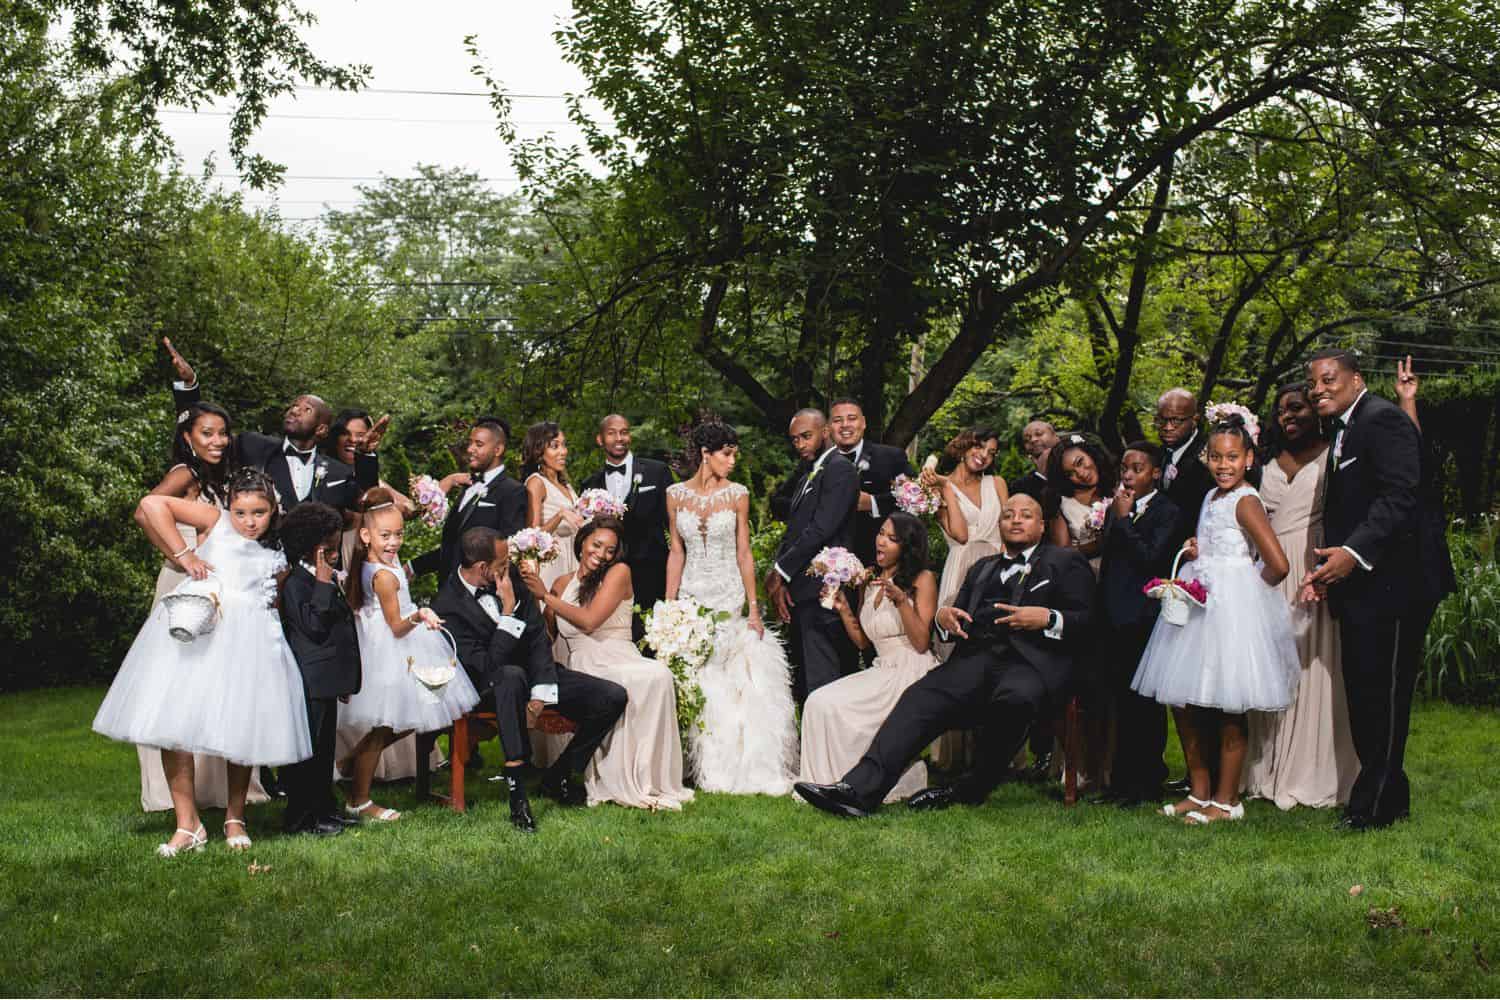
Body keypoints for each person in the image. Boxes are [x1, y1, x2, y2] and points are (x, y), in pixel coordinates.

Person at [794, 493, 1096, 818]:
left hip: (1030, 664)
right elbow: (951, 621)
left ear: (1041, 525)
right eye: (1009, 515)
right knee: (919, 697)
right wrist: (943, 619)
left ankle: (971, 789)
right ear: (1000, 524)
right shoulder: (982, 568)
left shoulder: (1065, 562)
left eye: (1026, 515)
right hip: (975, 661)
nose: (1016, 520)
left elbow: (1089, 621)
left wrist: (1048, 618)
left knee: (1015, 701)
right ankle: (857, 792)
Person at [94, 469, 311, 855]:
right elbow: (151, 504)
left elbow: (272, 599)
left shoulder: (279, 547)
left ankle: (235, 817)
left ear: (273, 509)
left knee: (241, 729)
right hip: (201, 635)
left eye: (258, 512)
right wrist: (184, 554)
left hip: (252, 644)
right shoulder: (214, 522)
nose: (248, 522)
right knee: (173, 725)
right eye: (241, 512)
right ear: (229, 507)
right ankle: (187, 823)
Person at [1131, 414, 1300, 825]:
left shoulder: (1246, 500)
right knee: (1184, 701)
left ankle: (1227, 800)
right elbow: (1213, 540)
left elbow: (1277, 564)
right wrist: (1197, 550)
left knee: (1228, 705)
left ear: (1248, 459)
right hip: (1197, 603)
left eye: (1233, 457)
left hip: (1230, 610)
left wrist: (1248, 596)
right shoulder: (1211, 498)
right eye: (1216, 457)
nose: (1224, 465)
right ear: (1206, 458)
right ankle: (1199, 789)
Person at [1300, 348, 1440, 830]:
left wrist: (1351, 554)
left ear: (1356, 379)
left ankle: (1374, 806)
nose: (1318, 388)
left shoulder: (1382, 419)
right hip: (1361, 583)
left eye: (1328, 379)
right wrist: (1327, 568)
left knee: (1386, 694)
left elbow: (1402, 496)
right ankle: (1386, 796)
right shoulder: (1345, 429)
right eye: (1313, 382)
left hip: (1398, 584)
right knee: (1364, 692)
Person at [431, 527, 629, 832]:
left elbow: (537, 638)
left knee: (612, 696)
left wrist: (540, 695)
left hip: (535, 676)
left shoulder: (511, 577)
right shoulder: (446, 605)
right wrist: (508, 613)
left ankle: (560, 775)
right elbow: (487, 666)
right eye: (501, 562)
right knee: (509, 677)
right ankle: (517, 796)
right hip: (488, 686)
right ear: (483, 568)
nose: (508, 566)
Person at [134, 401, 271, 813]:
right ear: (187, 438)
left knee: (217, 686)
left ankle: (217, 796)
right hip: (188, 587)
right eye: (207, 433)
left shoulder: (219, 476)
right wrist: (181, 556)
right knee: (182, 687)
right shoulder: (184, 474)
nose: (217, 440)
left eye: (222, 433)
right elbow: (145, 512)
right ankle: (178, 800)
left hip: (220, 586)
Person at [665, 421, 797, 795]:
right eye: (727, 453)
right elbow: (676, 551)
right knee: (701, 679)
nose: (733, 460)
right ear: (706, 454)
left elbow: (744, 552)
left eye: (735, 452)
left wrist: (754, 608)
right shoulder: (674, 494)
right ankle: (705, 764)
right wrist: (670, 604)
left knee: (737, 678)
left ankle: (746, 764)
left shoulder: (737, 494)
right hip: (692, 592)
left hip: (729, 594)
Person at [1243, 383, 1358, 810]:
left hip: (1316, 568)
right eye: (1281, 410)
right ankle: (1266, 767)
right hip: (1271, 574)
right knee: (1272, 665)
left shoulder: (1335, 454)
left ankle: (1316, 768)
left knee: (1316, 666)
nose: (1288, 415)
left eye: (1297, 407)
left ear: (1317, 411)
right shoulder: (1262, 463)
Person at [526, 517, 694, 811]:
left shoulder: (618, 572)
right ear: (582, 542)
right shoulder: (561, 583)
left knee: (655, 675)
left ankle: (642, 777)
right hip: (582, 664)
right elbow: (550, 635)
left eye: (610, 549)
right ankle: (576, 776)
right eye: (597, 545)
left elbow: (590, 622)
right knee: (626, 684)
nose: (602, 554)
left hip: (616, 655)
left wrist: (546, 597)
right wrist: (535, 600)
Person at [339, 489, 480, 823]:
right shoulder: (384, 575)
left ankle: (351, 763)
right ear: (365, 535)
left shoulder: (382, 564)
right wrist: (420, 615)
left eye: (399, 534)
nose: (393, 542)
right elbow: (397, 626)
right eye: (385, 536)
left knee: (407, 718)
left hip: (399, 646)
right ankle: (358, 799)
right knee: (387, 724)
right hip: (392, 649)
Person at [798, 512, 940, 802]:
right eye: (881, 533)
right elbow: (864, 641)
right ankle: (825, 782)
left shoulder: (923, 579)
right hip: (881, 667)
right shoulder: (869, 579)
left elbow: (923, 642)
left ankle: (853, 784)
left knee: (837, 708)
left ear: (907, 546)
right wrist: (843, 609)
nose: (881, 541)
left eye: (892, 538)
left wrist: (901, 601)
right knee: (818, 701)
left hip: (911, 670)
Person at [162, 337, 382, 514]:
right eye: (294, 406)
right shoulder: (253, 446)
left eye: (306, 409)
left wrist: (366, 456)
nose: (295, 410)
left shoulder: (338, 472)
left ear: (321, 429)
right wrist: (189, 387)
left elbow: (366, 500)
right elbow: (202, 435)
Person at [1091, 442, 1183, 806]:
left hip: (1142, 620)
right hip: (1112, 617)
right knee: (1120, 704)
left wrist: (1125, 519)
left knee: (1144, 705)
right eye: (1125, 468)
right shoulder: (1118, 507)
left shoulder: (1168, 511)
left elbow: (1150, 558)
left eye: (1137, 468)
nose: (1128, 475)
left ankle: (1145, 783)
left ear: (1156, 473)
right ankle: (1120, 783)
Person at [917, 425, 1004, 770]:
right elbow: (961, 533)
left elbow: (1011, 524)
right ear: (965, 445)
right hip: (963, 567)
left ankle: (996, 754)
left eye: (992, 451)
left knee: (998, 654)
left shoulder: (996, 484)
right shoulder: (938, 491)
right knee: (958, 653)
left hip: (999, 564)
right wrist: (946, 488)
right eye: (981, 446)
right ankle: (952, 756)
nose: (985, 455)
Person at [277, 502, 363, 838]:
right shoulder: (298, 582)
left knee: (324, 750)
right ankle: (301, 818)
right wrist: (325, 584)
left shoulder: (318, 577)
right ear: (318, 549)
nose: (337, 552)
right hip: (310, 682)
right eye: (333, 546)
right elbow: (313, 626)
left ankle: (325, 810)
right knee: (308, 751)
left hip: (327, 680)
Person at [765, 409, 860, 700]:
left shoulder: (839, 469)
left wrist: (780, 571)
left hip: (825, 591)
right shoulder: (809, 472)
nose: (801, 445)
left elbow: (821, 528)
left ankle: (829, 746)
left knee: (824, 683)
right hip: (801, 591)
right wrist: (782, 579)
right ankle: (812, 744)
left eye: (806, 436)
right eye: (795, 440)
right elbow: (795, 530)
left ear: (826, 432)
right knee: (806, 683)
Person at [580, 414, 673, 641]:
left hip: (654, 574)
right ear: (600, 440)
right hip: (608, 577)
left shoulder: (657, 472)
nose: (619, 438)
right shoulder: (589, 486)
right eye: (611, 433)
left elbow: (675, 524)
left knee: (656, 638)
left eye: (624, 432)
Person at [408, 417, 527, 581]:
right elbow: (453, 546)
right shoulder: (467, 486)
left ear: (498, 450)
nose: (470, 449)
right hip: (448, 592)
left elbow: (509, 551)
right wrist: (414, 567)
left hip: (480, 596)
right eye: (470, 443)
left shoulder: (512, 491)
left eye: (479, 444)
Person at [825, 398, 917, 566]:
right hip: (825, 563)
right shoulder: (817, 462)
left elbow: (917, 501)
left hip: (877, 563)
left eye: (852, 418)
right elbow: (784, 502)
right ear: (829, 427)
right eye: (837, 420)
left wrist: (874, 503)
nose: (845, 425)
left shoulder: (891, 457)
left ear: (864, 423)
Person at [522, 421, 584, 590]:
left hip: (574, 559)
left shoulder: (566, 485)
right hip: (553, 564)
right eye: (555, 446)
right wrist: (560, 515)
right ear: (539, 450)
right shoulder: (536, 482)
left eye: (564, 445)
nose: (563, 451)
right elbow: (532, 538)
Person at [1045, 433, 1117, 573]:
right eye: (1070, 473)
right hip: (1088, 576)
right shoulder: (1062, 504)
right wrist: (1097, 544)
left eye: (1080, 462)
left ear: (1091, 454)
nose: (1081, 474)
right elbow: (1062, 554)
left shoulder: (1120, 488)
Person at [1154, 388, 1215, 535]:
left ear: (1194, 420)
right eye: (1162, 420)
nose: (1167, 427)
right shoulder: (1158, 454)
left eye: (1176, 421)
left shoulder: (1209, 457)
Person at [1008, 420, 1060, 501]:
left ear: (1055, 437)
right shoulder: (1020, 487)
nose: (1033, 440)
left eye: (1039, 434)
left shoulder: (1077, 468)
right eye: (1026, 440)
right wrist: (1042, 475)